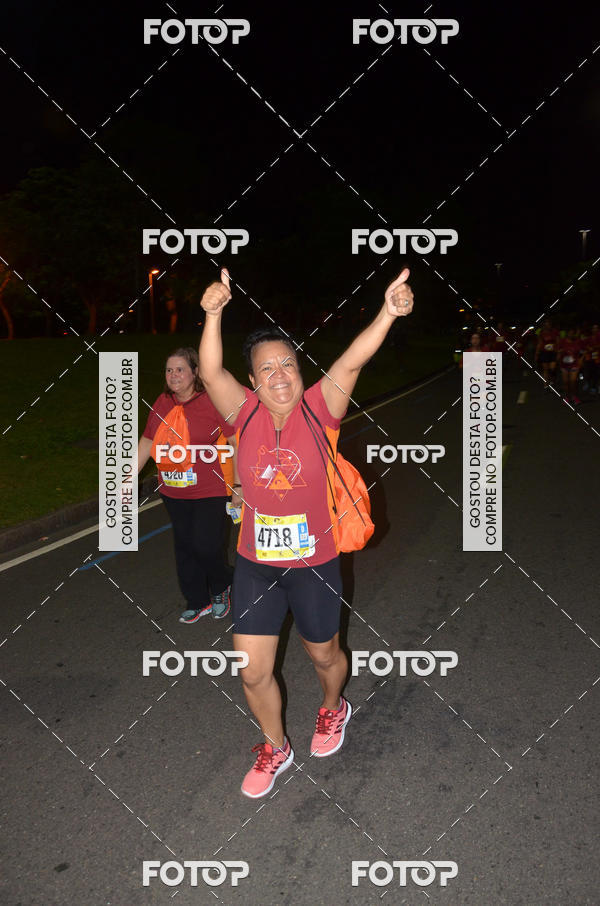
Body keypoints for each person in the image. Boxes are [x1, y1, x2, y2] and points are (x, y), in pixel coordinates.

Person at [198, 267, 414, 798]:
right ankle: (276, 746)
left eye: (287, 364)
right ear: (252, 381)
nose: (278, 375)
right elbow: (208, 371)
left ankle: (332, 707)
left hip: (316, 564)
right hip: (256, 565)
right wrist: (213, 312)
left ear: (300, 371)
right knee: (251, 672)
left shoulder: (320, 410)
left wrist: (388, 311)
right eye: (266, 368)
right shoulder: (242, 413)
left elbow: (353, 359)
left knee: (324, 656)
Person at [137, 347, 240, 622]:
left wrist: (239, 487)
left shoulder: (213, 401)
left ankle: (223, 584)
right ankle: (197, 599)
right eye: (169, 370)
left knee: (205, 545)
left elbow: (235, 442)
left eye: (180, 369)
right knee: (184, 545)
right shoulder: (163, 402)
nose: (173, 375)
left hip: (211, 488)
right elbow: (148, 440)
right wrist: (127, 477)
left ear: (195, 372)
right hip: (173, 489)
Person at [557, 329, 584, 404]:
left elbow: (582, 352)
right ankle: (567, 397)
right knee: (566, 382)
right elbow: (558, 352)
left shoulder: (578, 341)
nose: (571, 335)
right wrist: (559, 355)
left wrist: (581, 360)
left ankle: (574, 397)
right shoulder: (562, 341)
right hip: (564, 364)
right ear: (567, 334)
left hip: (574, 364)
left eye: (573, 333)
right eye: (570, 333)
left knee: (573, 381)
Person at [535, 319, 560, 387]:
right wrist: (537, 353)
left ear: (551, 325)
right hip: (544, 353)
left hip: (553, 353)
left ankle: (552, 381)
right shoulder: (542, 333)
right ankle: (545, 384)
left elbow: (558, 343)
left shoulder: (555, 332)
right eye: (546, 325)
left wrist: (558, 353)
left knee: (552, 369)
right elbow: (539, 343)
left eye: (548, 324)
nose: (547, 326)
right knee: (545, 369)